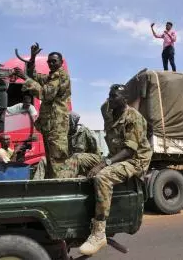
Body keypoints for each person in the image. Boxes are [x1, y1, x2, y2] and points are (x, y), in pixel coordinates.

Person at [64, 84, 153, 256]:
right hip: (115, 156)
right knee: (78, 158)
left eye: (113, 97)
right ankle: (66, 194)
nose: (109, 100)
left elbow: (129, 150)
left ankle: (99, 232)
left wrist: (104, 163)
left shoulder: (133, 117)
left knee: (103, 177)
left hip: (134, 160)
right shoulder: (110, 112)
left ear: (124, 99)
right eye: (109, 96)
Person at [14, 43, 71, 179]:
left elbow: (45, 94)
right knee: (51, 162)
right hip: (50, 126)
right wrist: (33, 57)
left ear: (61, 62)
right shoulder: (51, 76)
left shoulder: (60, 76)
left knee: (57, 162)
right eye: (49, 61)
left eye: (54, 61)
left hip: (56, 127)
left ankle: (62, 190)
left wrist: (25, 78)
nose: (50, 63)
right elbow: (33, 76)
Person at [33, 111, 99, 179]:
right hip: (71, 161)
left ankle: (65, 184)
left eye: (67, 124)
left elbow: (97, 154)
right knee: (44, 160)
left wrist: (96, 168)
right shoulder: (64, 135)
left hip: (88, 160)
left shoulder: (86, 132)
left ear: (74, 123)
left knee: (76, 156)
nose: (65, 126)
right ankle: (35, 186)